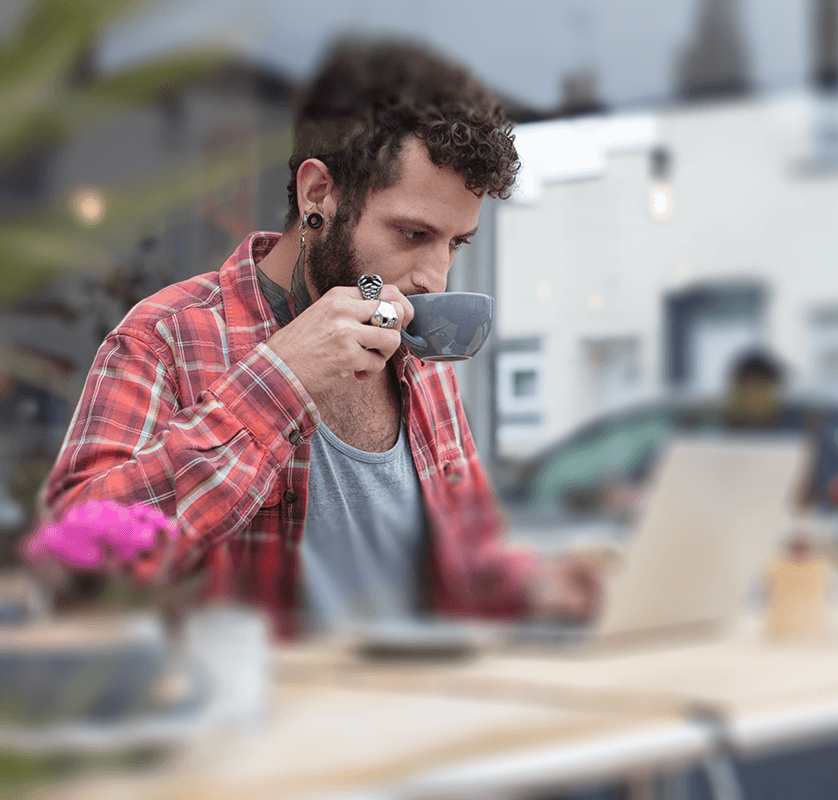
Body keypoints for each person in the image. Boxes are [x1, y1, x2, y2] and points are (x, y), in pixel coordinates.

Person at [39, 40, 603, 638]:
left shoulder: (419, 356)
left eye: (456, 243)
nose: (435, 277)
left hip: (428, 711)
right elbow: (74, 568)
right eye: (413, 233)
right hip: (259, 722)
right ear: (317, 195)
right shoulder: (165, 338)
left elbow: (469, 563)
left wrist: (534, 585)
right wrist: (279, 381)